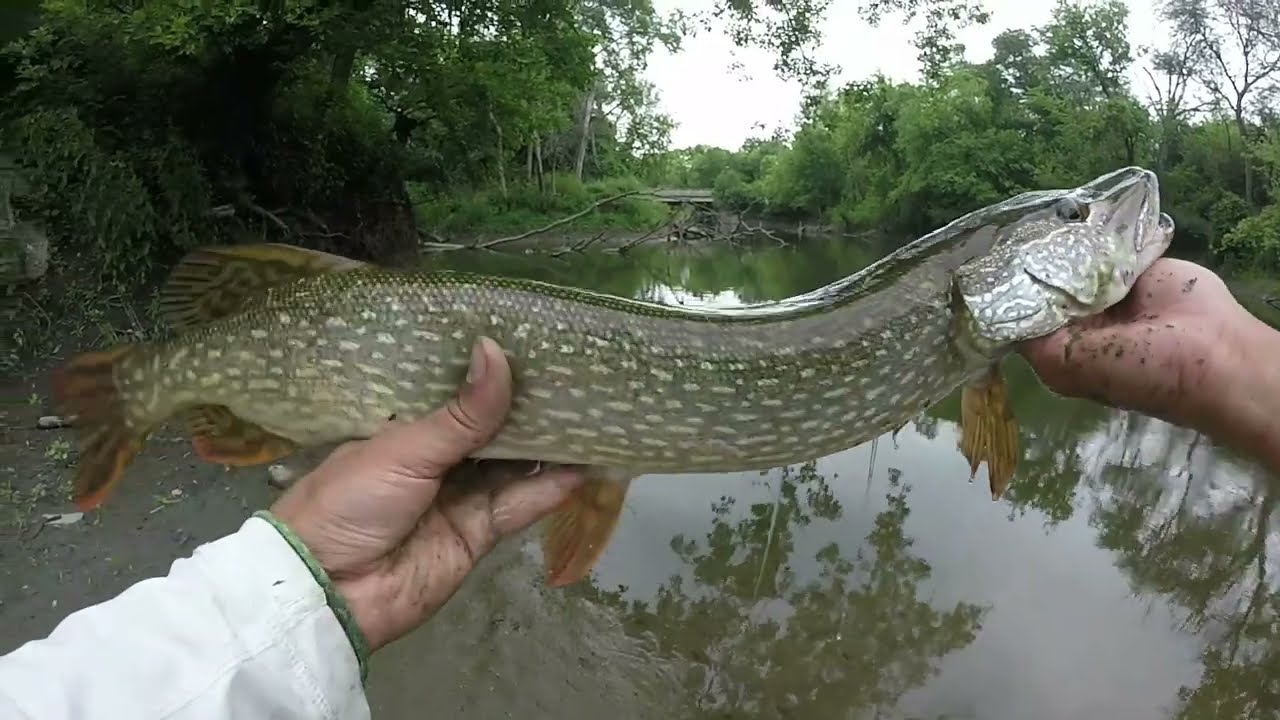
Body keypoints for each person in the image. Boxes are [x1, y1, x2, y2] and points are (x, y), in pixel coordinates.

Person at [0, 257, 1276, 719]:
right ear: (972, 289)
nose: (1112, 224)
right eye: (1069, 229)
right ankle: (166, 383)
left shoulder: (951, 341)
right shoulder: (948, 329)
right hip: (375, 375)